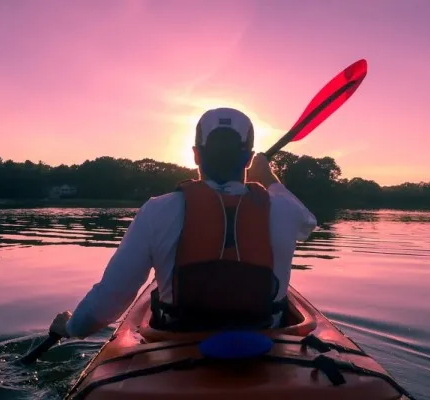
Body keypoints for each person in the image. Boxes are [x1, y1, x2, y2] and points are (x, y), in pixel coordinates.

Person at [50, 107, 317, 339]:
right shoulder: (284, 209)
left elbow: (108, 302)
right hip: (267, 342)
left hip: (177, 341)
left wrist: (71, 327)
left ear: (196, 155)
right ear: (248, 158)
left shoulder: (157, 210)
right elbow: (308, 223)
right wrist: (268, 177)